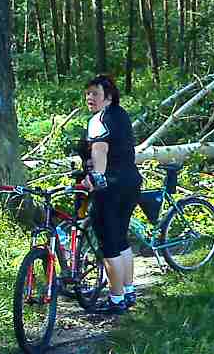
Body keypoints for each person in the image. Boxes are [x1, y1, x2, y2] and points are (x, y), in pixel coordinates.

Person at [82, 74, 143, 314]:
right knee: (121, 240)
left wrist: (95, 179)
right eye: (87, 93)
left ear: (108, 96)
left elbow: (100, 151)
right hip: (131, 183)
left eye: (95, 93)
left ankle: (116, 300)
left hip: (111, 188)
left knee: (109, 245)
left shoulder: (99, 120)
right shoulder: (121, 114)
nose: (89, 97)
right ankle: (128, 292)